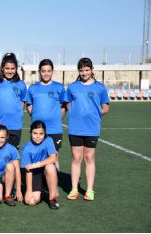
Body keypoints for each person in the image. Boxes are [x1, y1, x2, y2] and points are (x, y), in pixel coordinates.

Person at [66, 58, 110, 201]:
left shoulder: (100, 87)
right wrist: (75, 114)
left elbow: (106, 107)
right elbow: (68, 104)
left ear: (91, 70)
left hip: (92, 128)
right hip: (75, 128)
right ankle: (74, 189)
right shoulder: (72, 87)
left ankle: (90, 190)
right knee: (76, 158)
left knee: (89, 157)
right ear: (78, 71)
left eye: (87, 70)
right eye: (81, 70)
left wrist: (94, 114)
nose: (84, 73)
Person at [26, 59, 68, 171]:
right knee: (37, 155)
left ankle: (54, 184)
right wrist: (35, 118)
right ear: (39, 71)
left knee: (54, 157)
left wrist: (57, 118)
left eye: (48, 71)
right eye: (43, 71)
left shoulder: (59, 87)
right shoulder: (33, 88)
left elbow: (64, 106)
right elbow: (29, 105)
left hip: (54, 129)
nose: (46, 73)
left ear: (52, 71)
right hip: (38, 129)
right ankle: (38, 184)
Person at [0, 53, 27, 149]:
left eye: (12, 69)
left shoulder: (21, 84)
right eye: (7, 68)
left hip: (15, 125)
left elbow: (22, 101)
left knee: (13, 155)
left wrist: (17, 113)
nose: (10, 71)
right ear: (2, 68)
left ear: (16, 69)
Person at [21, 120, 59, 209]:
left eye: (41, 134)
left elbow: (53, 158)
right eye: (35, 133)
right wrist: (29, 191)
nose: (38, 136)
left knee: (50, 166)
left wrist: (36, 165)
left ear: (45, 133)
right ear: (30, 132)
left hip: (47, 171)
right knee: (30, 201)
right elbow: (28, 170)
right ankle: (44, 192)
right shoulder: (26, 148)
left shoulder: (49, 140)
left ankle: (52, 199)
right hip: (34, 174)